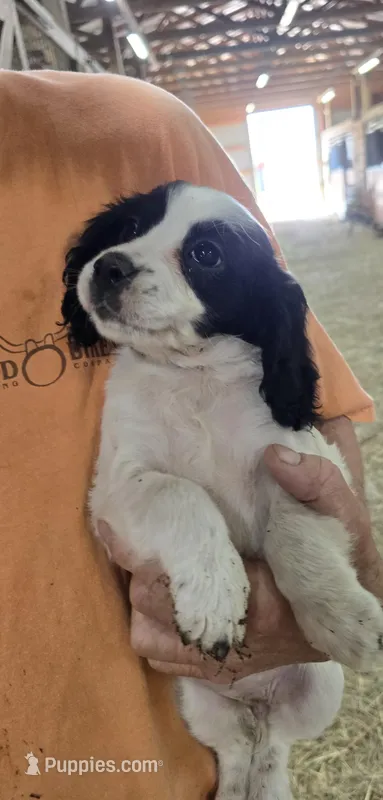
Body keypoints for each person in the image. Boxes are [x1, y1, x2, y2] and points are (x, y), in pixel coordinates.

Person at [0, 69, 381, 800]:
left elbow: (309, 439)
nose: (125, 261)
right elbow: (124, 493)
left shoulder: (134, 129)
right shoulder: (133, 379)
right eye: (133, 235)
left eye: (197, 254)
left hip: (166, 755)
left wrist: (330, 575)